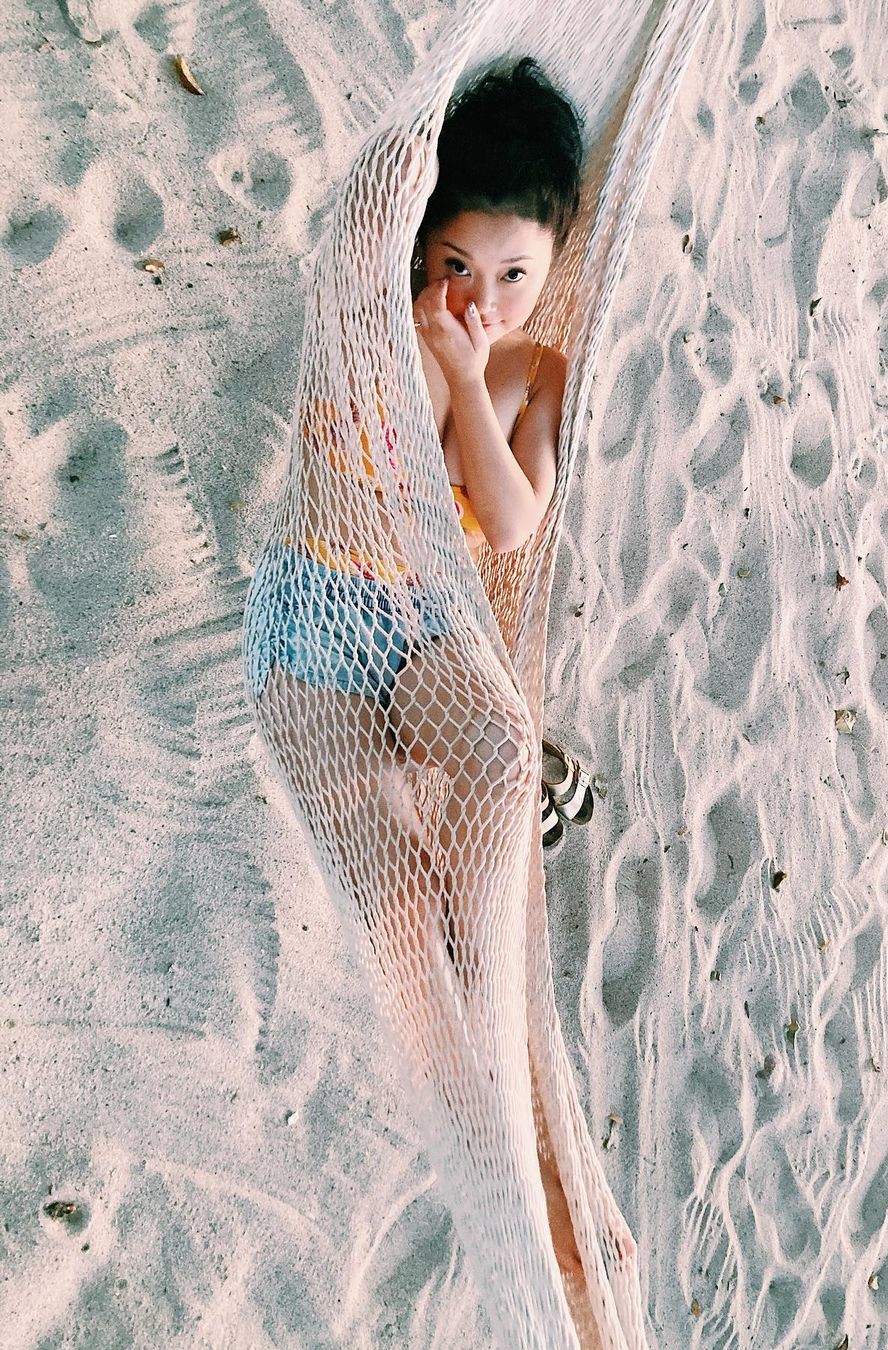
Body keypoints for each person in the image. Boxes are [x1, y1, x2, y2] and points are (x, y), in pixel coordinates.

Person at [243, 56, 611, 1342]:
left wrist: (468, 374)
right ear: (419, 248)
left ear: (554, 266)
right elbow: (364, 209)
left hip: (422, 624)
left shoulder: (531, 372)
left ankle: (527, 1123)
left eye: (514, 272)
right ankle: (506, 1175)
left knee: (500, 765)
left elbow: (506, 527)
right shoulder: (369, 321)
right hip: (313, 624)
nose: (483, 299)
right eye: (457, 263)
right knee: (398, 908)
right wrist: (419, 320)